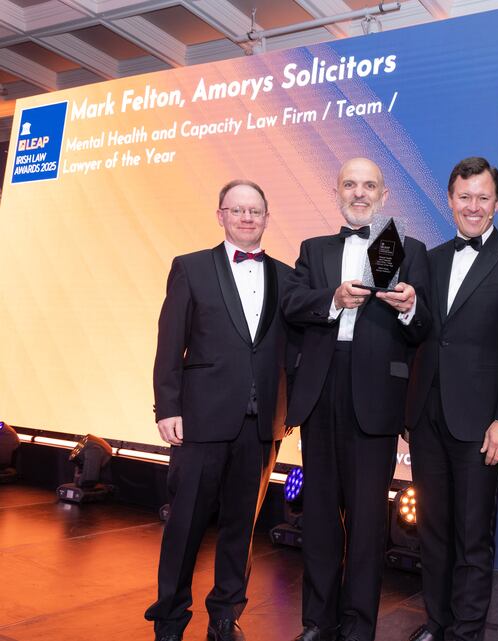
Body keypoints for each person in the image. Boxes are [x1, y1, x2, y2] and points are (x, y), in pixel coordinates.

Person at [283, 157, 431, 641]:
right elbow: (292, 305)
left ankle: (358, 628)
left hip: (377, 396)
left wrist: (410, 307)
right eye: (351, 184)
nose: (360, 193)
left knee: (368, 523)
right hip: (322, 389)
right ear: (338, 192)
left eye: (370, 185)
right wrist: (332, 300)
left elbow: (426, 326)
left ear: (385, 195)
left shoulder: (409, 248)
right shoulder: (314, 249)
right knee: (321, 518)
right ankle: (316, 622)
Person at [145, 179, 293, 641]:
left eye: (256, 211)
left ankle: (226, 616)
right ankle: (169, 617)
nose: (247, 218)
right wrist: (167, 406)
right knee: (185, 524)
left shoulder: (288, 277)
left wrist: (289, 411)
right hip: (201, 420)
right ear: (221, 215)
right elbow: (170, 343)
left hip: (261, 424)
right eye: (238, 210)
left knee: (240, 529)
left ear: (267, 218)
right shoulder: (190, 268)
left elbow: (294, 353)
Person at [405, 157, 498, 641]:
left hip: (482, 425)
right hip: (427, 417)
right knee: (433, 533)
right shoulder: (432, 258)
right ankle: (437, 622)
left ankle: (466, 631)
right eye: (464, 196)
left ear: (497, 203)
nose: (473, 206)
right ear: (449, 199)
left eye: (483, 197)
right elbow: (424, 335)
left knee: (472, 537)